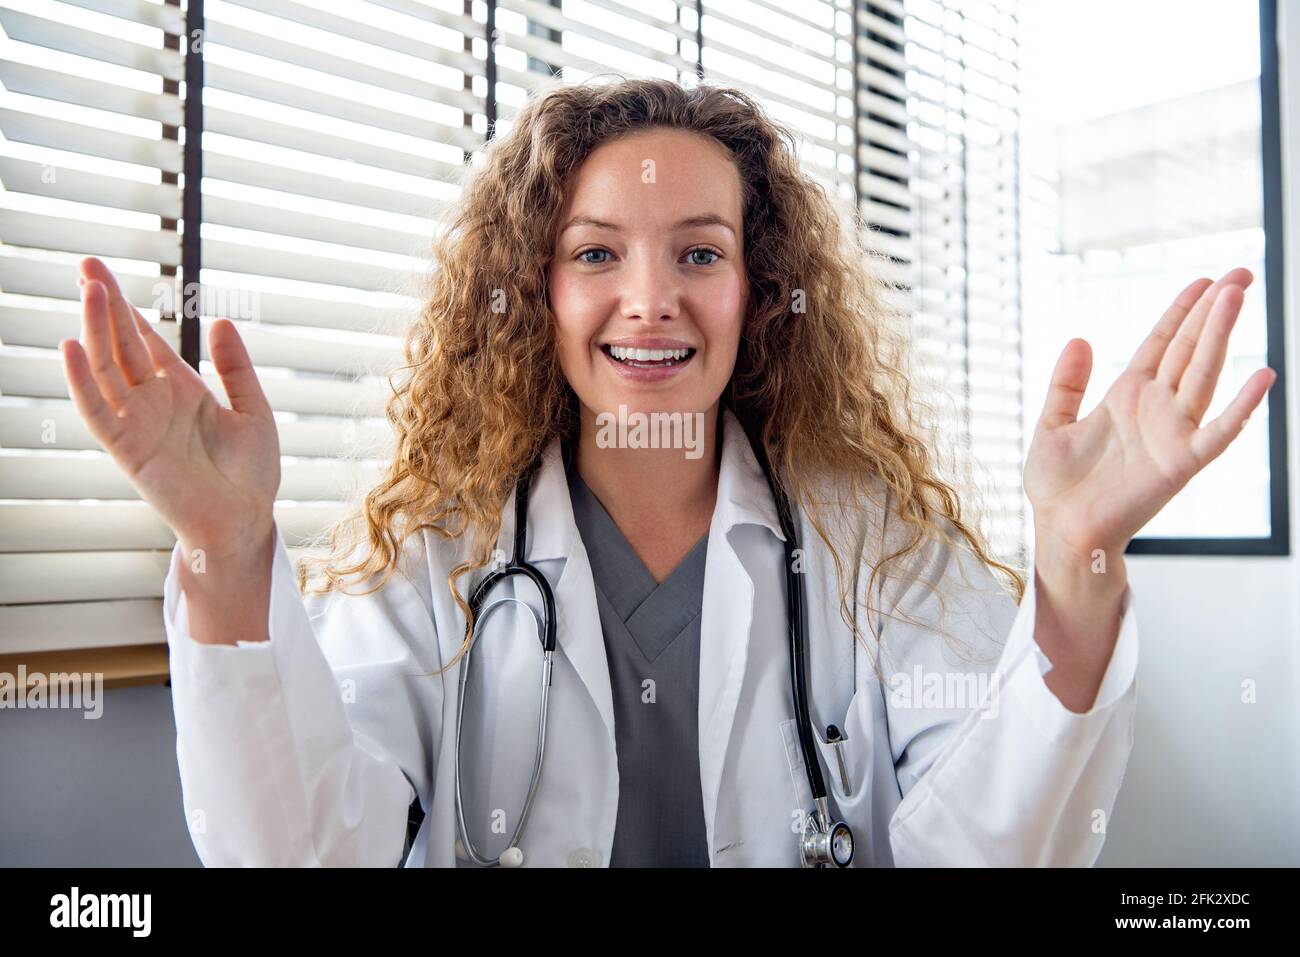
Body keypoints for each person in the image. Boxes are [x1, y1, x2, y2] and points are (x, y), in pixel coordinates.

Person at [60, 78, 1274, 867]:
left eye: (701, 251)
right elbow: (310, 851)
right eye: (596, 254)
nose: (652, 302)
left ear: (758, 291)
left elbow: (997, 848)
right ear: (539, 291)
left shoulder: (873, 543)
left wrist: (1074, 562)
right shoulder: (437, 553)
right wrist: (224, 552)